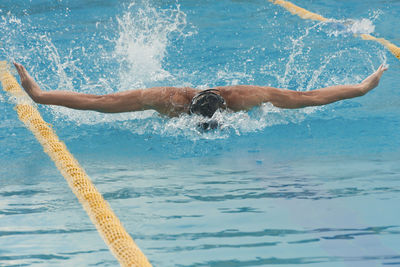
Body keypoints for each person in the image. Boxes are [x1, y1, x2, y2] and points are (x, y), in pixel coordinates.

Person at [13, 62, 388, 129]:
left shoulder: (245, 96)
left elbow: (312, 96)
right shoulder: (166, 99)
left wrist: (361, 88)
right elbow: (310, 97)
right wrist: (40, 95)